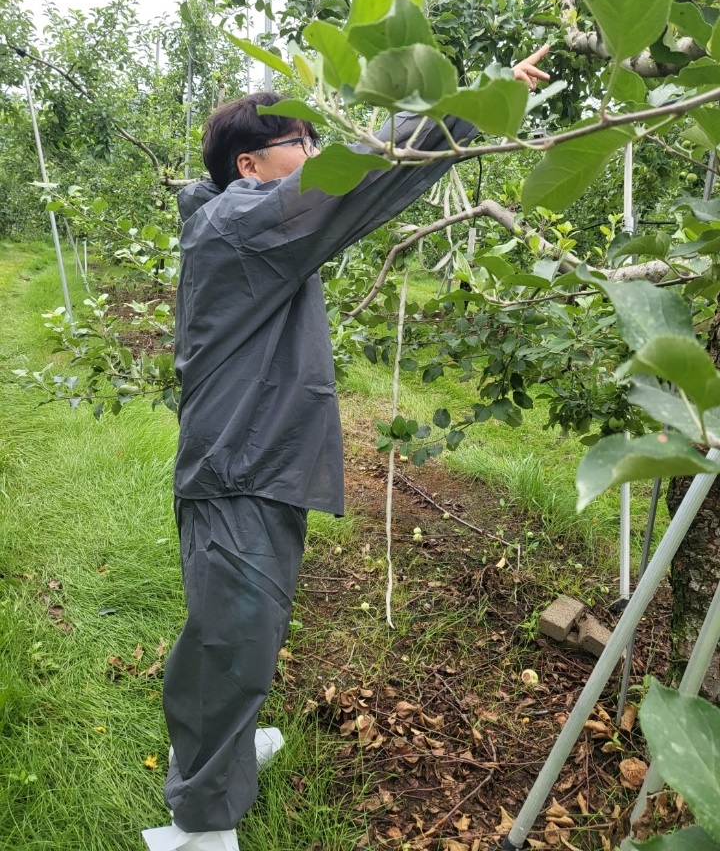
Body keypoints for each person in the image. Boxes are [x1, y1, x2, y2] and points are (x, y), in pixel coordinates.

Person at [141, 48, 549, 851]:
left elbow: (341, 188)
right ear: (251, 164)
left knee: (250, 629)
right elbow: (357, 181)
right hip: (237, 470)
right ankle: (198, 823)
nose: (316, 156)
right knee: (229, 639)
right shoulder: (241, 221)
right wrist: (471, 97)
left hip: (256, 460)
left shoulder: (246, 229)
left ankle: (228, 753)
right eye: (302, 142)